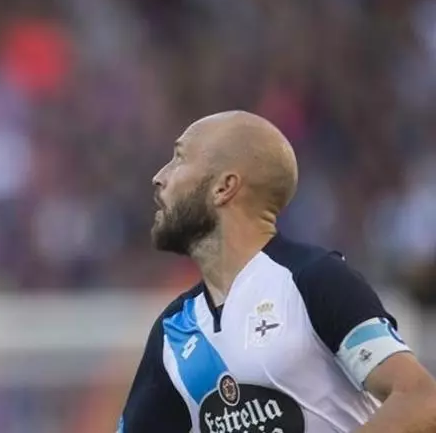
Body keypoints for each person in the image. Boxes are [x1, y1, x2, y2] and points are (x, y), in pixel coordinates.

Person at [117, 111, 436, 433]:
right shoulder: (175, 329)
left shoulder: (315, 280)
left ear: (224, 187)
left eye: (179, 158)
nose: (159, 177)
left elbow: (421, 401)